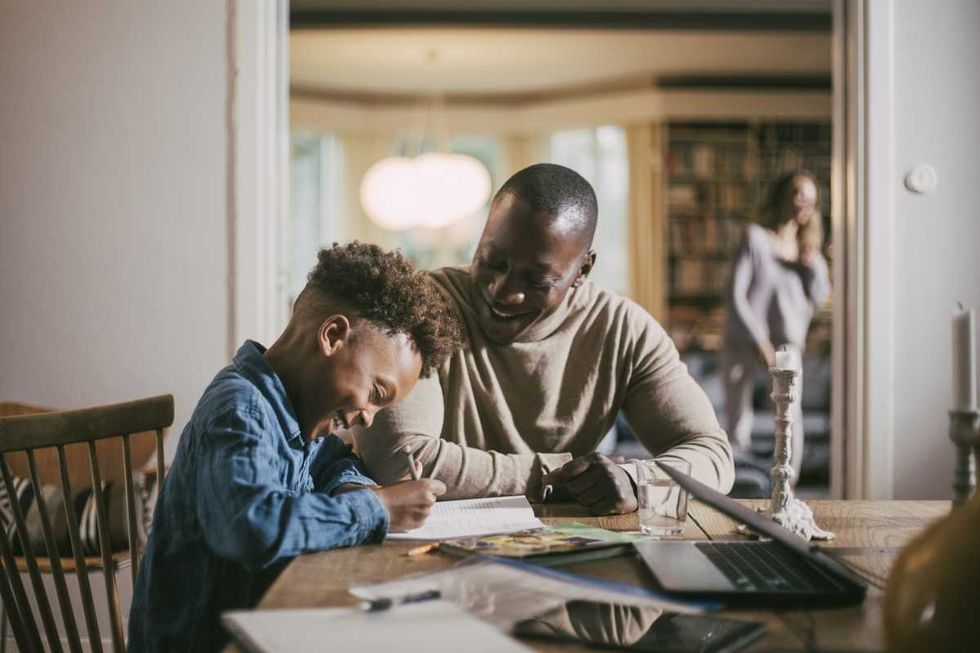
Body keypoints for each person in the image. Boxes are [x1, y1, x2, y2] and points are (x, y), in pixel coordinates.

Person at [129, 243, 461, 652]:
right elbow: (252, 527)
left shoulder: (297, 413)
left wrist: (353, 487)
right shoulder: (240, 409)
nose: (369, 417)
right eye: (376, 392)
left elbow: (333, 460)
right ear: (333, 335)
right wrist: (379, 508)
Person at [355, 164, 734, 515]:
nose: (504, 292)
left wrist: (636, 479)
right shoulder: (418, 307)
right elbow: (400, 462)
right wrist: (557, 476)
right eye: (492, 261)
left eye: (536, 280)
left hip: (571, 545)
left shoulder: (623, 329)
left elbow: (713, 455)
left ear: (582, 269)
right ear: (480, 240)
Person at [720, 170, 831, 475]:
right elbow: (735, 294)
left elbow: (820, 299)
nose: (802, 202)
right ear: (782, 195)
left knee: (789, 419)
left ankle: (787, 491)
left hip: (786, 346)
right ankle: (733, 487)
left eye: (809, 198)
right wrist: (758, 340)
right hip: (743, 341)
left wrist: (811, 268)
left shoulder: (809, 251)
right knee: (736, 422)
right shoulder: (755, 238)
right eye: (797, 193)